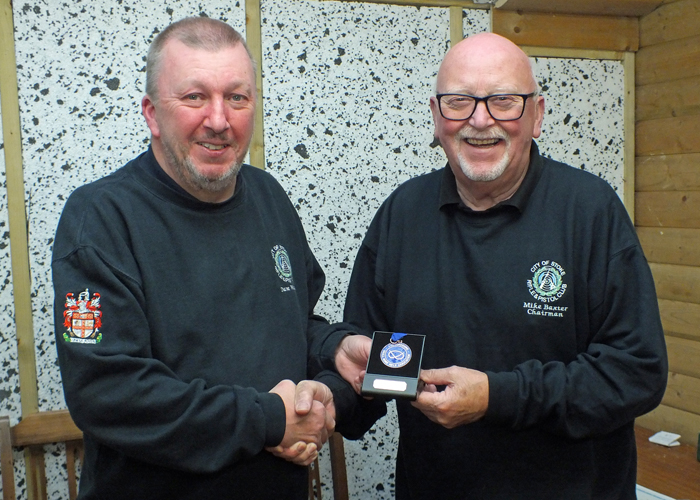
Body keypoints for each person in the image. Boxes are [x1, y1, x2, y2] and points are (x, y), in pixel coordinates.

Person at [52, 17, 380, 500]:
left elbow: (288, 323)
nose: (219, 120)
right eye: (194, 97)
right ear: (151, 113)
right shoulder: (101, 218)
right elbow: (110, 394)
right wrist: (269, 419)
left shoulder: (269, 198)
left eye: (237, 97)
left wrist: (332, 347)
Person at [339, 33, 668, 499]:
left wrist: (498, 397)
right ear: (436, 117)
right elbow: (369, 358)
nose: (479, 120)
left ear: (537, 115)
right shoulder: (402, 215)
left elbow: (637, 373)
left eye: (503, 101)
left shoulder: (590, 211)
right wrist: (325, 401)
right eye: (459, 101)